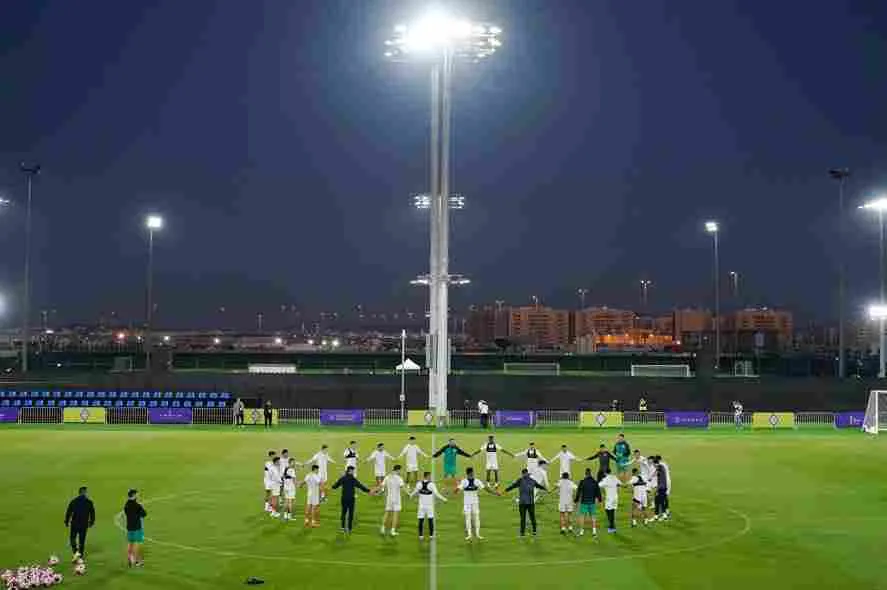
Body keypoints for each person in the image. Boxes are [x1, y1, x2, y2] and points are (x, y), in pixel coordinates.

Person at [455, 466, 500, 541]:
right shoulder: (468, 481)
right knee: (470, 517)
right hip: (470, 503)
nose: (472, 474)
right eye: (472, 473)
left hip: (472, 502)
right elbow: (458, 489)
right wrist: (495, 493)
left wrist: (495, 493)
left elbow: (486, 489)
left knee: (473, 517)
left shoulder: (473, 481)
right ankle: (472, 534)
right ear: (470, 473)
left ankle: (475, 534)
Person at [505, 468, 547, 537]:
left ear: (522, 474)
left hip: (523, 502)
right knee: (532, 517)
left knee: (523, 518)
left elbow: (512, 486)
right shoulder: (531, 480)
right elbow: (539, 486)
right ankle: (534, 531)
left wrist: (505, 491)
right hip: (530, 502)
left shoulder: (520, 480)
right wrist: (546, 489)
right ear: (527, 473)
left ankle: (523, 533)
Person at [331, 465, 372, 534]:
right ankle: (349, 528)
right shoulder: (353, 479)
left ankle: (342, 527)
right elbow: (360, 486)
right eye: (353, 470)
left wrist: (336, 482)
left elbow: (335, 486)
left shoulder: (343, 478)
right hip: (351, 499)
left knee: (343, 513)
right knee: (350, 513)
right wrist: (369, 491)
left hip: (344, 498)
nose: (353, 472)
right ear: (350, 471)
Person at [409, 471, 447, 541]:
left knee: (421, 520)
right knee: (430, 520)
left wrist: (410, 495)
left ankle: (420, 535)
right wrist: (444, 499)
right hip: (429, 506)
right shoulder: (431, 484)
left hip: (421, 506)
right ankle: (431, 536)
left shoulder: (419, 484)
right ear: (428, 476)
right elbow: (437, 494)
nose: (431, 477)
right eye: (430, 476)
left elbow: (414, 492)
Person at [64, 486, 95, 561]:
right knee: (82, 540)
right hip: (84, 524)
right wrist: (91, 522)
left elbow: (69, 511)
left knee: (72, 539)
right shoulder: (89, 502)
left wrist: (66, 521)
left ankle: (75, 552)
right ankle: (80, 555)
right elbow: (92, 513)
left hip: (75, 523)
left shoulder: (74, 501)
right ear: (84, 493)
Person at [375, 465, 405, 536]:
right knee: (395, 515)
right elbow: (402, 488)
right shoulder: (399, 478)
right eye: (400, 470)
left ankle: (382, 528)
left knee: (386, 513)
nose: (400, 472)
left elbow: (381, 486)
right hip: (396, 499)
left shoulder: (387, 477)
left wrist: (376, 492)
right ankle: (392, 531)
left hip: (389, 498)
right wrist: (410, 494)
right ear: (398, 470)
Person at [574, 468, 602, 536]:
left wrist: (576, 500)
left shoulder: (582, 482)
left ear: (585, 474)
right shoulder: (595, 482)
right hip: (592, 502)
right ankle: (594, 531)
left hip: (584, 502)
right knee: (593, 516)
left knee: (582, 516)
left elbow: (579, 492)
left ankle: (581, 531)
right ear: (590, 473)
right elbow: (598, 492)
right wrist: (600, 500)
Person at [123, 489, 147, 568]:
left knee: (130, 543)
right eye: (137, 494)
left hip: (129, 526)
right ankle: (137, 561)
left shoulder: (126, 504)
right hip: (137, 527)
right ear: (134, 495)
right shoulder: (137, 505)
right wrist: (141, 506)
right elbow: (144, 514)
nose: (138, 495)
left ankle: (130, 558)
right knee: (137, 543)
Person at [599, 468, 621, 533]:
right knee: (612, 511)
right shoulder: (614, 477)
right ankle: (612, 524)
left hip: (609, 498)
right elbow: (620, 483)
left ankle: (612, 526)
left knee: (609, 511)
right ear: (610, 472)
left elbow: (599, 485)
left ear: (605, 473)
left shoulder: (605, 479)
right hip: (615, 497)